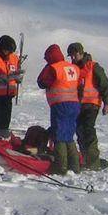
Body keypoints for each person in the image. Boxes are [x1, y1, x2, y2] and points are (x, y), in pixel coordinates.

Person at [67, 42, 108, 170]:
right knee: (80, 131)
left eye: (73, 55)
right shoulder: (73, 69)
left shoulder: (94, 67)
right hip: (78, 105)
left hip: (91, 104)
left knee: (88, 130)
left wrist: (107, 103)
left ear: (79, 53)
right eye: (70, 56)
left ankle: (93, 163)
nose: (72, 58)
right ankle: (85, 158)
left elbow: (105, 85)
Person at [36, 44, 81, 174]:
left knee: (60, 135)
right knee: (69, 135)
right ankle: (75, 167)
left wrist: (47, 66)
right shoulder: (73, 67)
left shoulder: (53, 68)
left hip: (60, 104)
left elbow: (42, 82)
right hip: (74, 105)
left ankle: (61, 168)